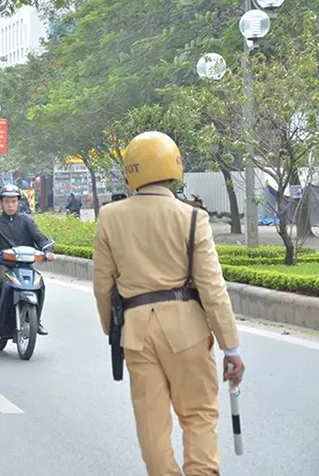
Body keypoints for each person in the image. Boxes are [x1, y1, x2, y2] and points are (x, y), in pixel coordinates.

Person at [92, 131, 244, 475]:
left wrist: (114, 332)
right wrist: (230, 347)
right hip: (188, 330)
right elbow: (212, 288)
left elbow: (102, 286)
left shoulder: (109, 216)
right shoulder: (192, 217)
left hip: (137, 333)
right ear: (173, 165)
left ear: (131, 170)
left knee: (151, 425)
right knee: (199, 416)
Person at [0, 184, 55, 336]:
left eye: (14, 201)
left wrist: (48, 250)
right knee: (0, 283)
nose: (11, 205)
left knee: (40, 284)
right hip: (3, 265)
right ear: (1, 203)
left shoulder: (27, 221)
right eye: (7, 202)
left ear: (19, 202)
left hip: (25, 265)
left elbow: (40, 238)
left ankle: (36, 320)